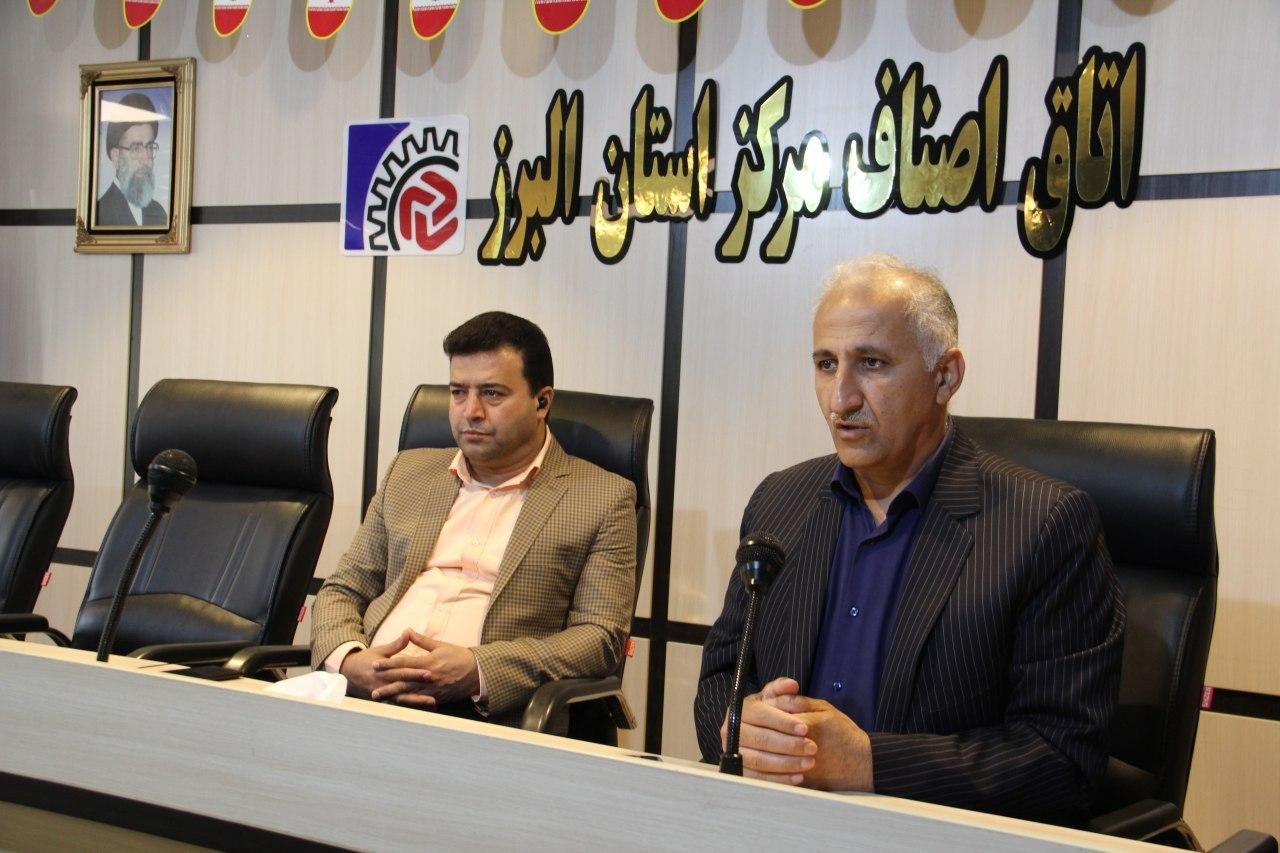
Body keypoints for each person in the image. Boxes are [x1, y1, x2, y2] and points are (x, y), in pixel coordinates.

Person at [694, 255, 1124, 822]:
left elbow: (1062, 760)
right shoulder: (781, 501)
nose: (840, 399)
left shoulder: (1044, 525)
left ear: (945, 376)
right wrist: (743, 727)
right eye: (826, 364)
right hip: (773, 825)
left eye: (871, 363)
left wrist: (867, 762)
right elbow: (720, 681)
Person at [311, 311, 636, 723]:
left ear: (542, 402)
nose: (471, 411)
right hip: (364, 700)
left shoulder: (602, 498)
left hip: (483, 715)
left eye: (492, 394)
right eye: (458, 392)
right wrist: (349, 660)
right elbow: (343, 589)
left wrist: (478, 669)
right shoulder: (407, 472)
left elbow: (599, 638)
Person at [96, 91, 168, 227]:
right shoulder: (100, 215)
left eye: (149, 147)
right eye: (136, 149)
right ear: (116, 157)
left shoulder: (158, 213)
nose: (146, 159)